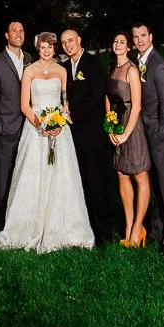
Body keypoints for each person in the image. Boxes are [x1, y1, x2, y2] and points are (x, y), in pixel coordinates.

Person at [0, 32, 94, 252]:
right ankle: (27, 226)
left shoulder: (62, 70)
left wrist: (59, 123)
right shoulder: (30, 70)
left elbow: (64, 102)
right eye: (42, 47)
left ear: (55, 49)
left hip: (59, 129)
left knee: (61, 177)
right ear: (38, 48)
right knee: (33, 174)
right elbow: (24, 105)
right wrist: (41, 125)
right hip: (36, 128)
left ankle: (63, 227)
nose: (46, 50)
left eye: (50, 47)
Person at [132, 23, 164, 254]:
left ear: (150, 37)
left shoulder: (160, 66)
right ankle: (157, 226)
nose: (140, 40)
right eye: (136, 37)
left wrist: (162, 134)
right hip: (146, 132)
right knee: (154, 184)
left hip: (161, 134)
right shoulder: (139, 62)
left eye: (143, 35)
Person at [61, 28, 112, 245]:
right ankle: (84, 229)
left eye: (70, 40)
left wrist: (75, 114)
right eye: (64, 42)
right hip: (72, 135)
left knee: (96, 183)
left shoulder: (93, 64)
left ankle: (103, 234)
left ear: (79, 40)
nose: (68, 45)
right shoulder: (64, 67)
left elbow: (97, 95)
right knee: (79, 182)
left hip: (92, 133)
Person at [0, 20, 31, 233]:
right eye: (14, 31)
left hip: (29, 130)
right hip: (6, 131)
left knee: (24, 177)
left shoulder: (30, 60)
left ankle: (20, 222)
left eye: (21, 31)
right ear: (6, 35)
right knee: (3, 179)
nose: (18, 34)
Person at [106, 32, 150, 247]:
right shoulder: (112, 68)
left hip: (131, 125)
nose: (118, 44)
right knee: (122, 174)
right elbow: (108, 97)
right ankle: (129, 225)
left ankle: (138, 227)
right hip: (116, 123)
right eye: (115, 41)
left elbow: (138, 105)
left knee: (139, 174)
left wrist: (126, 133)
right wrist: (110, 126)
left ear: (129, 47)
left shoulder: (132, 70)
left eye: (122, 42)